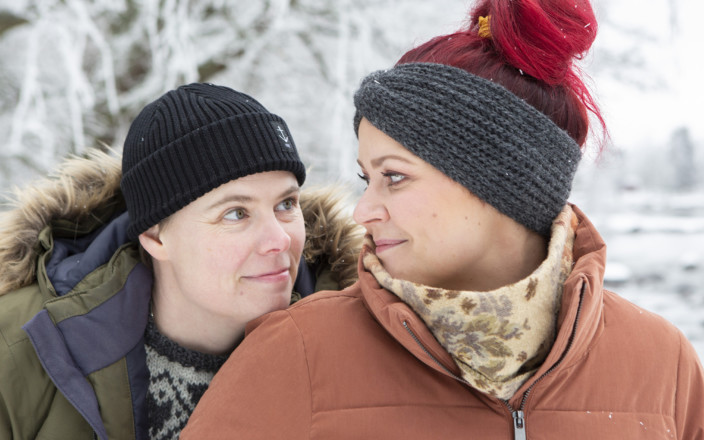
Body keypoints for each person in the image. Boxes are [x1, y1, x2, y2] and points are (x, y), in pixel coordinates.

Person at [181, 0, 704, 438]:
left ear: (499, 178)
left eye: (396, 177)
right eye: (368, 179)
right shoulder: (295, 352)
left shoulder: (663, 363)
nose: (364, 210)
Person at [0, 83, 361, 439]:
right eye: (236, 213)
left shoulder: (357, 350)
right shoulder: (18, 347)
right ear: (156, 237)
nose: (280, 239)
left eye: (286, 204)